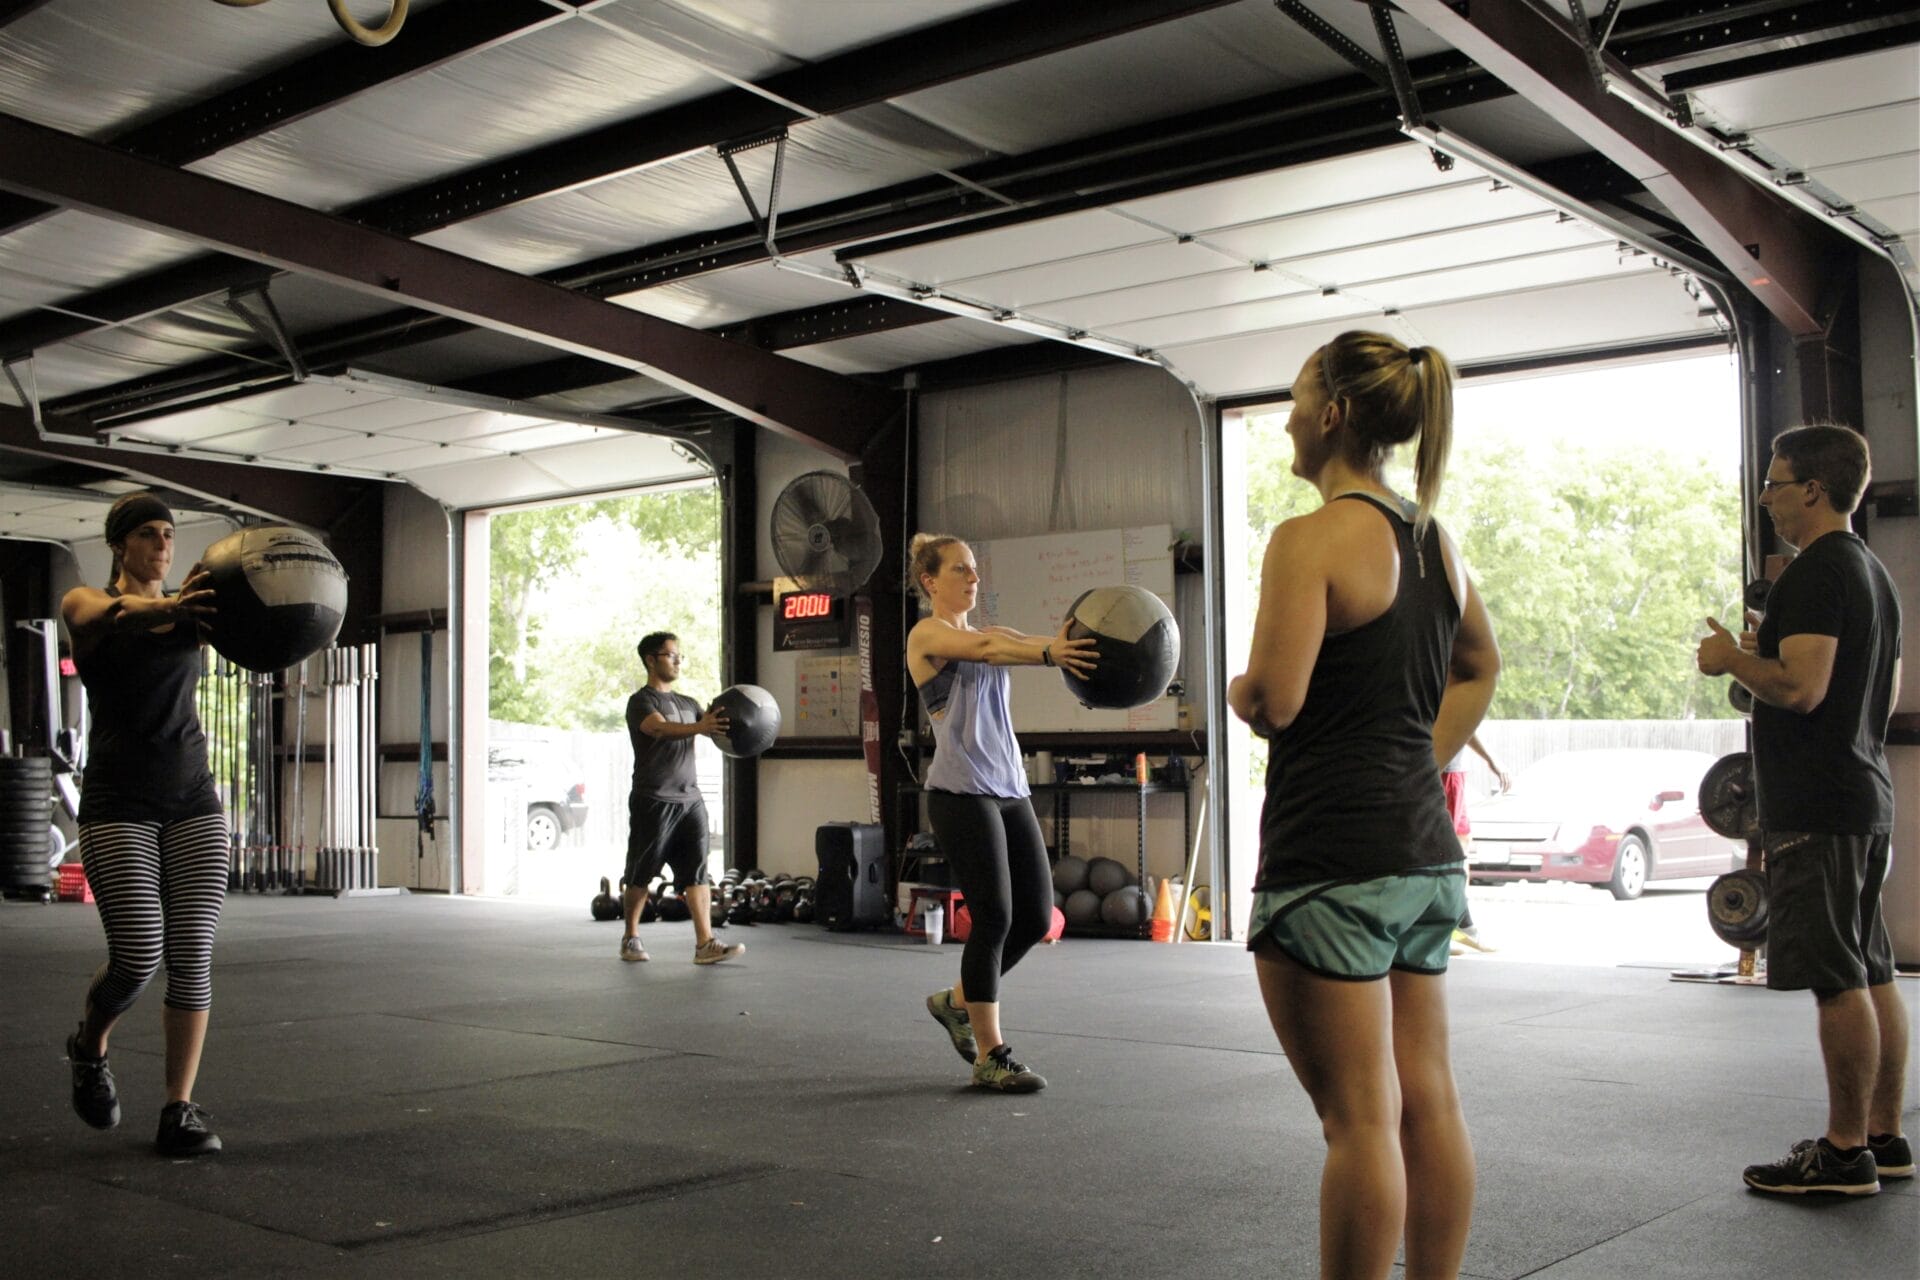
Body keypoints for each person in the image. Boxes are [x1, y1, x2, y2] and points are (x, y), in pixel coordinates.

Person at [1228, 331, 1500, 1279]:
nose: (1289, 422)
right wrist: (1416, 757)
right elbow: (1480, 665)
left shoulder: (1308, 540)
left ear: (1335, 414)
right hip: (1422, 854)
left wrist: (1237, 689)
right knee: (1429, 1100)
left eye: (1298, 401)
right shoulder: (1435, 542)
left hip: (1332, 861)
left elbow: (1276, 700)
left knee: (1359, 1121)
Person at [1696, 423, 1907, 1197]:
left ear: (1813, 490)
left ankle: (1844, 1153)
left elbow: (1802, 687)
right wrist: (1769, 655)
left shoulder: (1818, 571)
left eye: (1775, 483)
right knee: (1870, 969)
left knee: (1836, 979)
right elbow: (1877, 693)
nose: (1765, 497)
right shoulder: (1872, 573)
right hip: (1862, 794)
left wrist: (1733, 660)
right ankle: (1883, 1138)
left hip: (1820, 806)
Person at [60, 492, 228, 1157]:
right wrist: (170, 607)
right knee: (137, 956)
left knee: (192, 956)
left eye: (169, 534)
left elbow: (260, 632)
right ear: (119, 544)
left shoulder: (194, 616)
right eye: (149, 534)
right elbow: (109, 613)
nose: (163, 544)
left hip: (193, 801)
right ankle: (89, 1045)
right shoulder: (86, 603)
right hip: (118, 803)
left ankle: (177, 1110)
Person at [907, 533, 1096, 1092]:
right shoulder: (926, 635)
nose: (973, 577)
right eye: (960, 569)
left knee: (1035, 917)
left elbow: (1013, 641)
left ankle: (955, 1003)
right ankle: (991, 1055)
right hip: (960, 793)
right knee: (993, 918)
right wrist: (1051, 654)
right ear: (930, 581)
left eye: (974, 568)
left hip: (1009, 790)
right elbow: (991, 651)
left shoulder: (989, 633)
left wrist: (1070, 647)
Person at [621, 632, 744, 966]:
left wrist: (745, 726)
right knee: (641, 873)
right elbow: (659, 729)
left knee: (697, 872)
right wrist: (701, 727)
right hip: (653, 798)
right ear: (651, 660)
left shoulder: (689, 704)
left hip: (690, 800)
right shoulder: (641, 702)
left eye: (679, 656)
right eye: (670, 655)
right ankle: (631, 936)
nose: (677, 660)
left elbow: (716, 725)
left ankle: (705, 943)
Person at [1443, 733, 1509, 954]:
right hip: (1444, 770)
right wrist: (1492, 759)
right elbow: (1461, 724)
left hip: (1452, 769)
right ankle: (1450, 928)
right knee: (1447, 854)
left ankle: (1458, 925)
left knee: (1461, 847)